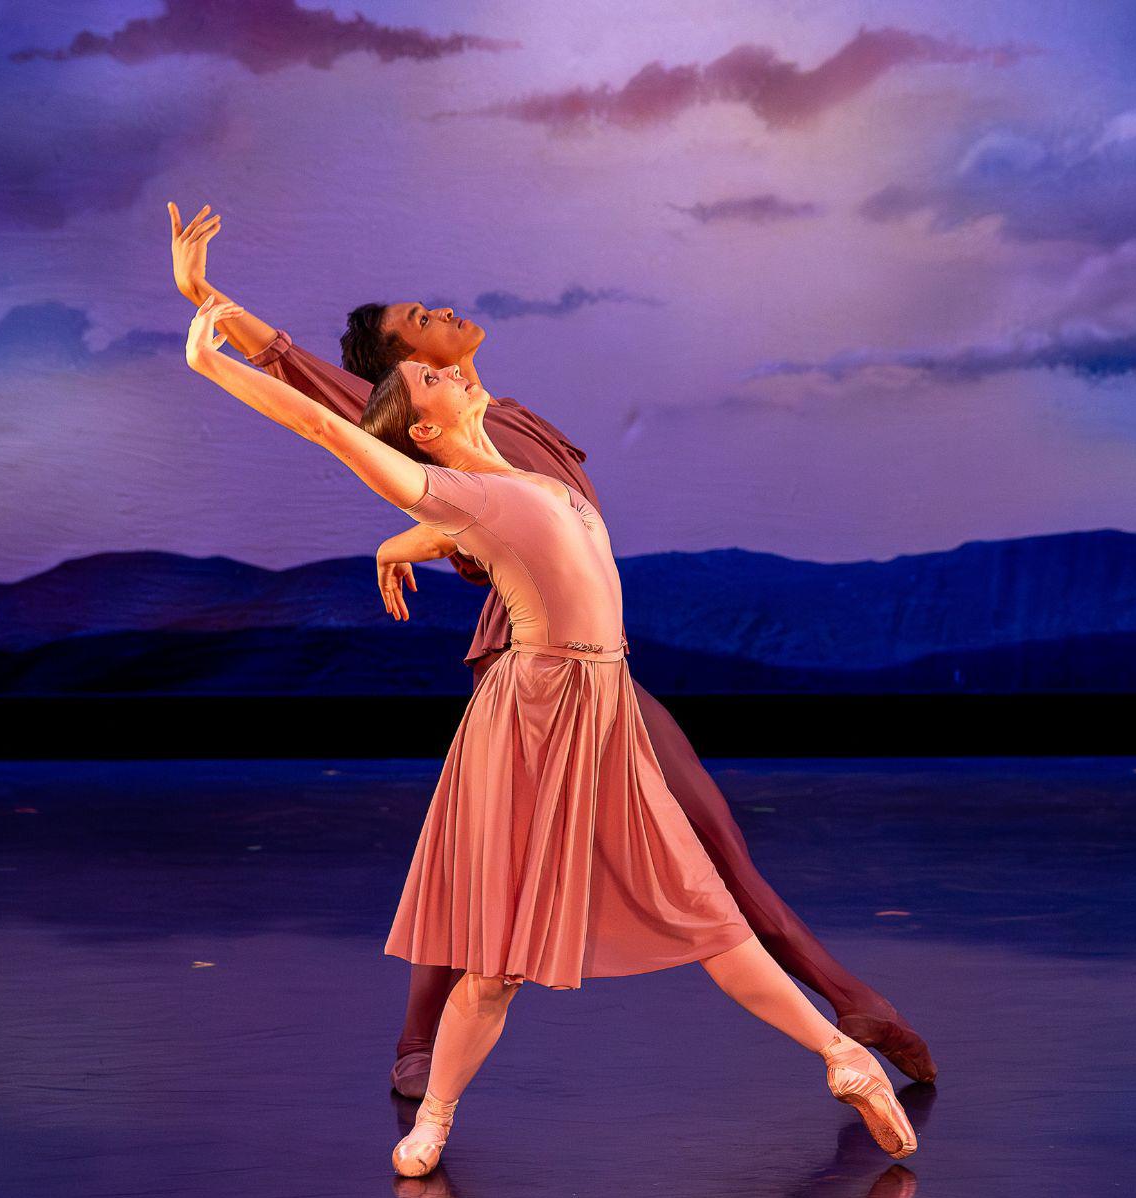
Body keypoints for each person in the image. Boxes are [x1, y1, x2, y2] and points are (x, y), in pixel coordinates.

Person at [166, 202, 937, 1099]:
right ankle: (844, 1006)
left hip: (595, 663)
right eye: (419, 328)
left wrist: (400, 543)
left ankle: (847, 1003)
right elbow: (305, 386)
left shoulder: (498, 410)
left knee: (681, 841)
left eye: (432, 312)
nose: (442, 319)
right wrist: (204, 296)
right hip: (534, 666)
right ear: (409, 376)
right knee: (526, 866)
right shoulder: (430, 419)